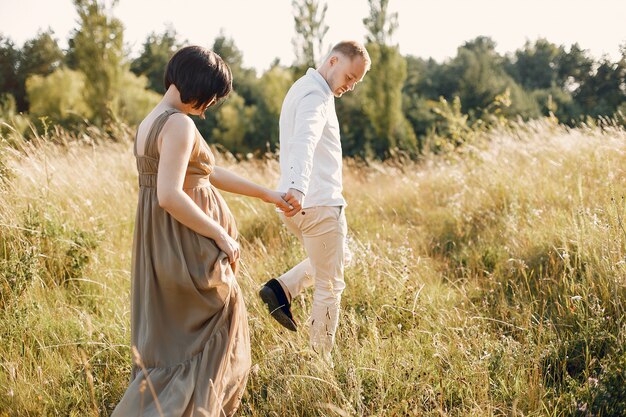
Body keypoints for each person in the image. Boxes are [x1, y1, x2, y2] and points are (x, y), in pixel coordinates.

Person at [112, 46, 290, 417]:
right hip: (187, 246)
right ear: (195, 84)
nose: (209, 105)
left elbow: (205, 173)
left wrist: (264, 194)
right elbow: (170, 195)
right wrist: (220, 235)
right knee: (217, 330)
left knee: (176, 343)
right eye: (210, 95)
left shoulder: (153, 120)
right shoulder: (179, 124)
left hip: (163, 245)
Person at [259, 41, 370, 361]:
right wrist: (297, 186)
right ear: (332, 60)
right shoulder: (315, 95)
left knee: (341, 256)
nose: (350, 86)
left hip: (302, 204)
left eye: (356, 82)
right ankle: (320, 366)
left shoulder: (302, 87)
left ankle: (282, 289)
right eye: (350, 77)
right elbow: (304, 139)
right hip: (316, 202)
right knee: (330, 286)